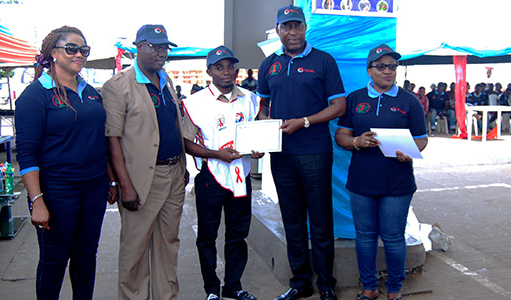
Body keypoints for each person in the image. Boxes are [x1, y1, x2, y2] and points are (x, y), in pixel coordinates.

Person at [15, 26, 116, 300]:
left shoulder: (91, 92)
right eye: (72, 48)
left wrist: (111, 179)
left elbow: (99, 140)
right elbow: (26, 153)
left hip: (93, 188)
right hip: (57, 191)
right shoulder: (35, 96)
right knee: (54, 260)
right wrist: (37, 200)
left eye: (84, 50)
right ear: (53, 54)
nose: (79, 54)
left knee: (85, 257)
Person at [256, 5, 345, 300]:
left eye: (297, 26)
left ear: (305, 28)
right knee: (292, 219)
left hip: (315, 153)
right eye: (285, 27)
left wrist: (304, 121)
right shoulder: (269, 65)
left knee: (320, 221)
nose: (291, 32)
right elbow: (263, 108)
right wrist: (260, 128)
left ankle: (326, 286)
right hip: (281, 154)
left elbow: (339, 106)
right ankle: (299, 283)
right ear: (278, 30)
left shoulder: (323, 61)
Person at [102, 24, 192, 300]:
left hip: (174, 173)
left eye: (165, 47)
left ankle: (167, 296)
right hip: (142, 180)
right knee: (136, 248)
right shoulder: (118, 86)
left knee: (169, 244)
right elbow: (111, 139)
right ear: (138, 47)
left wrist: (184, 167)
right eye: (154, 46)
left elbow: (176, 125)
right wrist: (123, 184)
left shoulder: (166, 81)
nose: (161, 52)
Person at [335, 44, 427, 300]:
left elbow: (421, 139)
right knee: (364, 237)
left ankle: (395, 289)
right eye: (381, 66)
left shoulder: (410, 101)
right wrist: (357, 142)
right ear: (369, 70)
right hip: (362, 182)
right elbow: (341, 136)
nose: (388, 71)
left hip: (397, 183)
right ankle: (369, 287)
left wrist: (409, 152)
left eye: (392, 67)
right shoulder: (355, 99)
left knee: (394, 237)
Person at [181, 46, 262, 300]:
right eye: (219, 67)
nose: (226, 72)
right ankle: (211, 290)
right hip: (211, 177)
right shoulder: (195, 102)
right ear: (209, 72)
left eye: (230, 66)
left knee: (238, 234)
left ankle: (233, 286)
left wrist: (259, 147)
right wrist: (217, 154)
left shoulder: (250, 98)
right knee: (207, 235)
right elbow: (185, 142)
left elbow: (260, 130)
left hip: (241, 176)